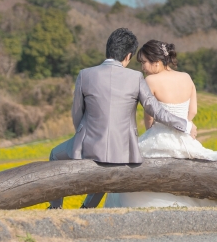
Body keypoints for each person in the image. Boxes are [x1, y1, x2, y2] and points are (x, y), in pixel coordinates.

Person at [47, 28, 198, 209]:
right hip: (123, 149)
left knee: (55, 155)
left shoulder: (85, 74)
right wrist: (185, 125)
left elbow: (77, 113)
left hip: (88, 144)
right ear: (127, 56)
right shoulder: (136, 77)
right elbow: (156, 111)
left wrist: (82, 137)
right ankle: (87, 208)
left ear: (108, 49)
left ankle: (55, 207)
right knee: (107, 164)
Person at [104, 40, 217, 208]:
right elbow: (193, 111)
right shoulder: (186, 77)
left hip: (159, 134)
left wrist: (150, 132)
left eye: (144, 62)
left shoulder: (150, 80)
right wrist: (185, 127)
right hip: (185, 136)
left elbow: (150, 116)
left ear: (157, 62)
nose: (142, 67)